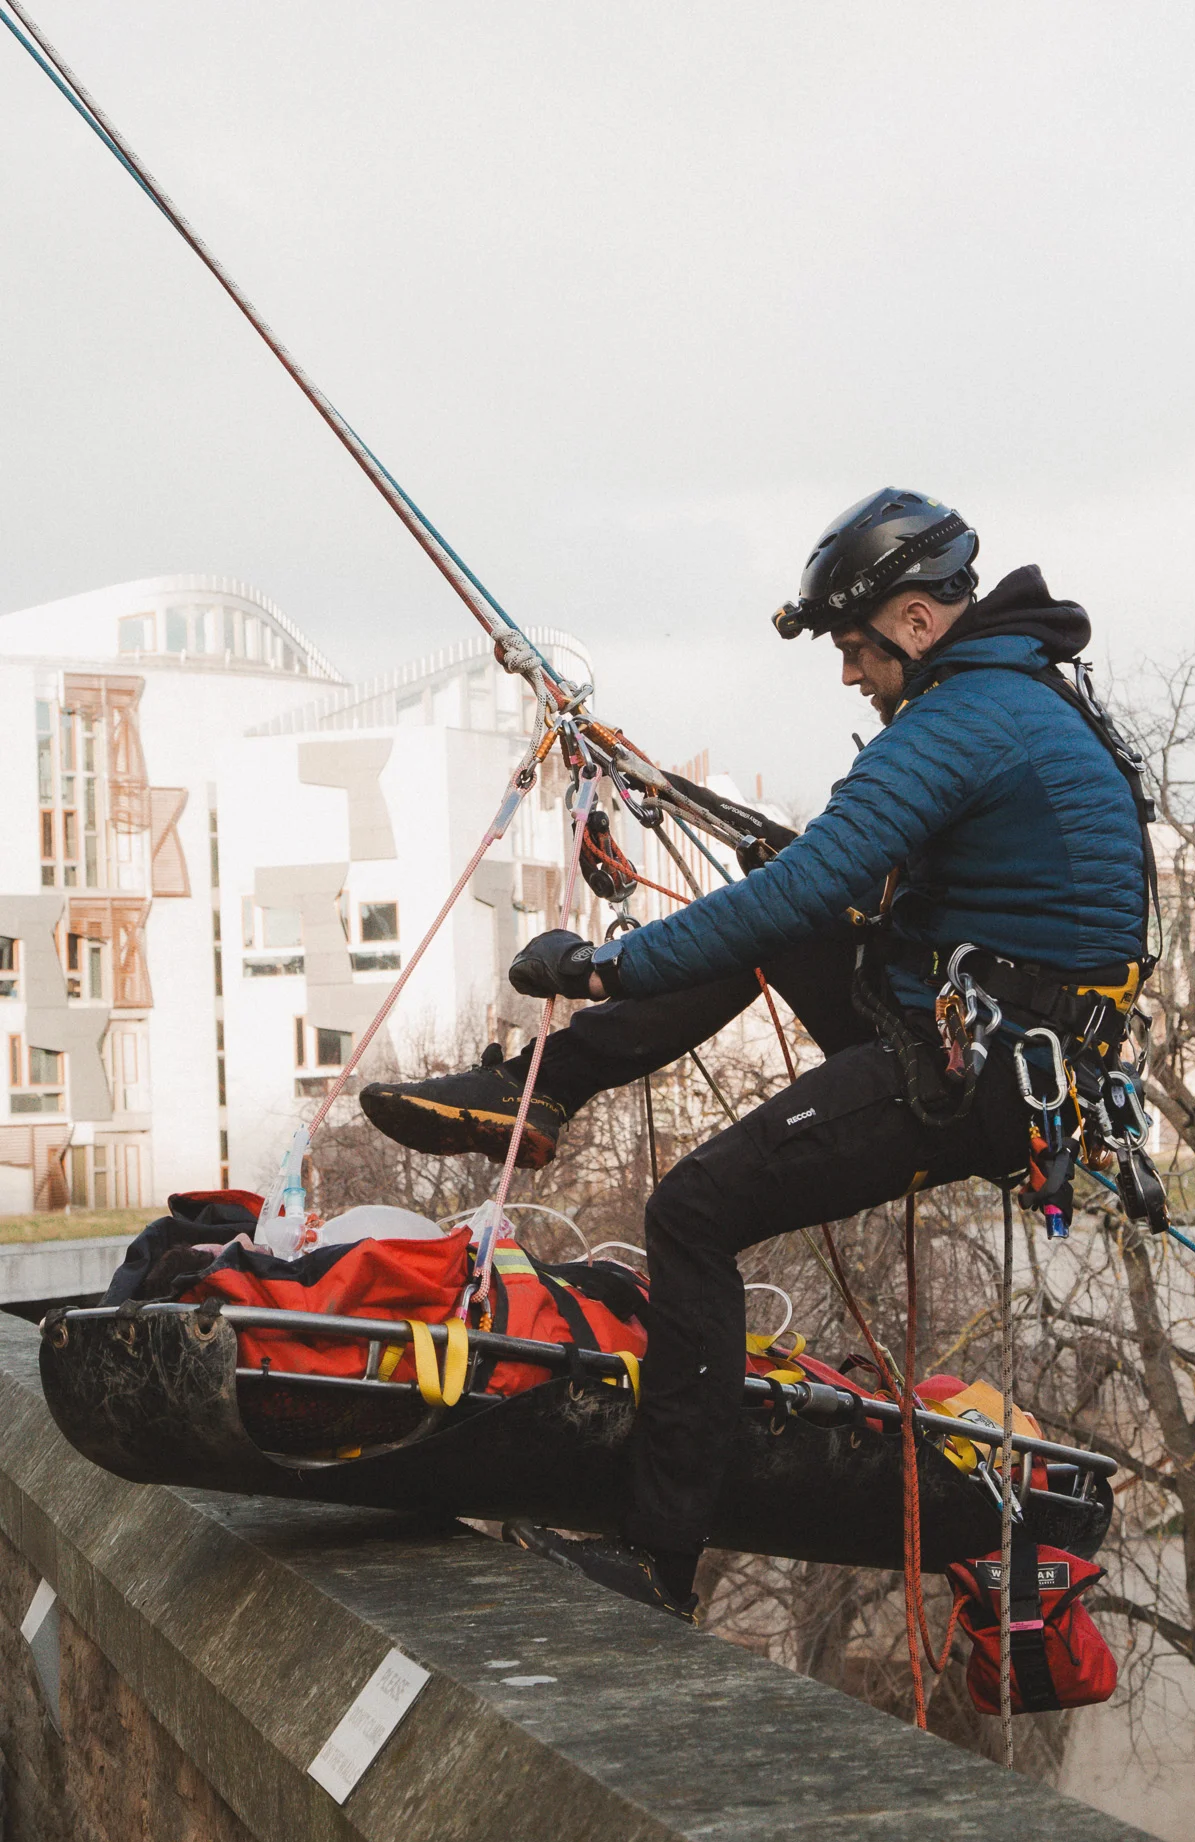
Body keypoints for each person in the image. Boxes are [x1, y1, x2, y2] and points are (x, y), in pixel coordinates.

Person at [361, 489, 1150, 1619]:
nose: (847, 674)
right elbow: (823, 897)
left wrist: (603, 969)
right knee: (776, 911)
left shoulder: (965, 718)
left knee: (694, 1210)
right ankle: (541, 1096)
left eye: (853, 646)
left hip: (966, 1076)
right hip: (993, 1045)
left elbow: (812, 886)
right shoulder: (1022, 699)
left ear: (919, 622)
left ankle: (657, 1554)